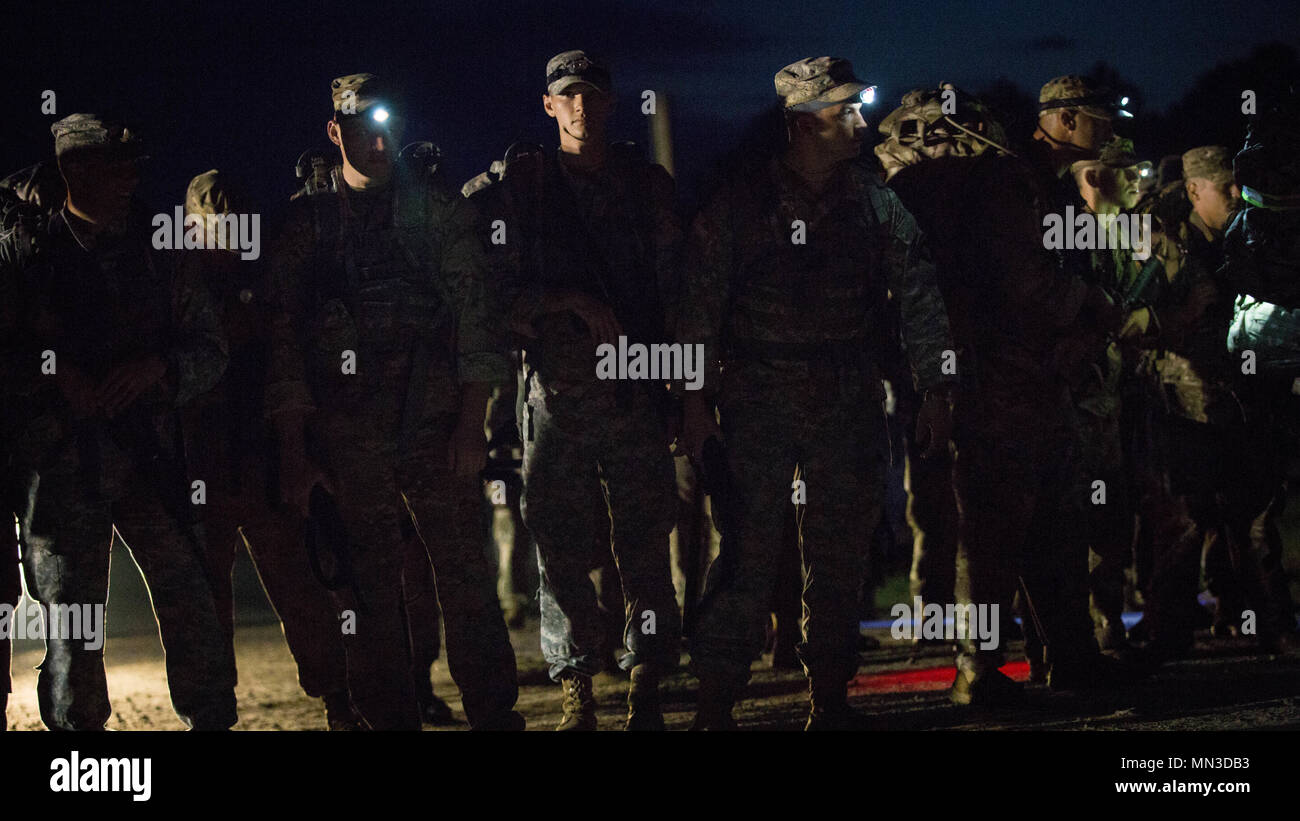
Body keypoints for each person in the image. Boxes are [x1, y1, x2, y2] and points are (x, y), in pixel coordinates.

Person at [678, 58, 956, 729]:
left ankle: (830, 698)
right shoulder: (740, 206)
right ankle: (716, 702)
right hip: (757, 402)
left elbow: (919, 295)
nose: (861, 120)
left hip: (846, 399)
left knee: (838, 557)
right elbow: (697, 308)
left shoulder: (875, 202)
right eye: (845, 111)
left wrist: (936, 389)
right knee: (746, 554)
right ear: (803, 123)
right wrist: (692, 404)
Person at [265, 74, 522, 731]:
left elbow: (476, 321)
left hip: (437, 430)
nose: (376, 143)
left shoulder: (436, 212)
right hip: (349, 440)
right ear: (335, 132)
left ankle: (495, 714)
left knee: (466, 583)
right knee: (371, 594)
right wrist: (297, 452)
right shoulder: (308, 226)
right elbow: (284, 344)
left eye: (387, 129)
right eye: (360, 129)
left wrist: (472, 422)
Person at [0, 114, 237, 730]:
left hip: (149, 458)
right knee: (72, 621)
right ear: (73, 168)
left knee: (190, 597)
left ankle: (210, 718)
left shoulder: (160, 255)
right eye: (114, 166)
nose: (130, 180)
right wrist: (56, 373)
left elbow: (211, 349)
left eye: (134, 167)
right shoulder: (25, 255)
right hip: (59, 469)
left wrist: (158, 367)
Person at [477, 51, 683, 731]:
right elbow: (492, 299)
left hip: (635, 396)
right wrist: (564, 298)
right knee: (557, 546)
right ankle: (578, 686)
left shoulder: (644, 187)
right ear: (548, 105)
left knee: (646, 545)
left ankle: (647, 677)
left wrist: (684, 387)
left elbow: (681, 289)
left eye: (593, 94)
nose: (581, 106)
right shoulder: (525, 192)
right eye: (568, 95)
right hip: (556, 399)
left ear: (611, 103)